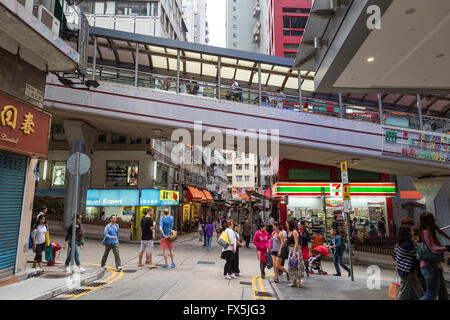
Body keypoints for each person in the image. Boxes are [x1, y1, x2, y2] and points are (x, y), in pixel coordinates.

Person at [418, 212, 450, 300]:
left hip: (435, 266)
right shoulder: (426, 231)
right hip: (429, 266)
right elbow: (433, 249)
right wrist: (446, 248)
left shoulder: (429, 229)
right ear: (429, 220)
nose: (435, 220)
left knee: (443, 293)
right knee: (430, 295)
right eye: (433, 219)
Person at [393, 225, 424, 300]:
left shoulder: (402, 242)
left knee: (419, 290)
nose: (413, 231)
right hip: (407, 271)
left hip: (405, 269)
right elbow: (416, 256)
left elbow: (395, 254)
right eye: (411, 230)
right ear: (408, 232)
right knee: (404, 292)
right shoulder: (408, 244)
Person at [287, 220, 304, 288]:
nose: (286, 225)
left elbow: (296, 242)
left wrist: (294, 252)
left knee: (297, 264)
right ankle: (294, 282)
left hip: (295, 249)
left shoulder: (294, 231)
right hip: (290, 248)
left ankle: (300, 279)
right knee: (291, 265)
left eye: (287, 224)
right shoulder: (289, 232)